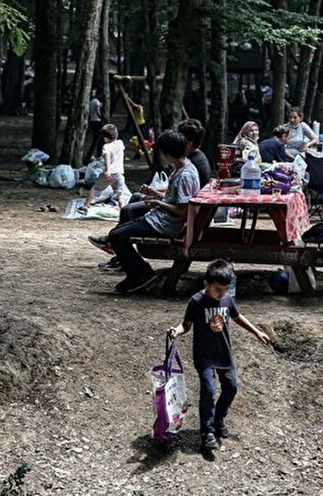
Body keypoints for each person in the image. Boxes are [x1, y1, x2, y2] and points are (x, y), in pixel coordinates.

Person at [168, 259, 272, 454]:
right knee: (208, 391)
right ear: (206, 284)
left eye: (225, 289)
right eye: (217, 289)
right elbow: (186, 325)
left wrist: (257, 332)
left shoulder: (227, 299)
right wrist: (176, 331)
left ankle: (218, 419)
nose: (221, 293)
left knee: (231, 388)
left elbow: (237, 317)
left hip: (224, 353)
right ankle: (206, 432)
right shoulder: (196, 301)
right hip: (204, 356)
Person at [99, 130, 201, 294]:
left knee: (116, 236)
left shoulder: (185, 176)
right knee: (119, 229)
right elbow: (174, 199)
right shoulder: (183, 167)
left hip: (164, 224)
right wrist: (155, 194)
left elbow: (182, 211)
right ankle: (136, 271)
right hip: (160, 218)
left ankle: (140, 273)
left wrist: (158, 203)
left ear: (168, 154)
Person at [89, 124, 130, 206]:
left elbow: (107, 158)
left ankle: (85, 206)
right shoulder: (120, 143)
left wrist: (107, 170)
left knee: (95, 190)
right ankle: (123, 211)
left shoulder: (106, 147)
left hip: (108, 174)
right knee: (120, 195)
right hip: (119, 174)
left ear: (105, 137)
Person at [87, 93, 103, 158]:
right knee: (98, 139)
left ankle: (96, 153)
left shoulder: (91, 102)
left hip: (92, 121)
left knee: (96, 137)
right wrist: (101, 117)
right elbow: (97, 109)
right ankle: (98, 154)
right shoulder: (97, 102)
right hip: (97, 121)